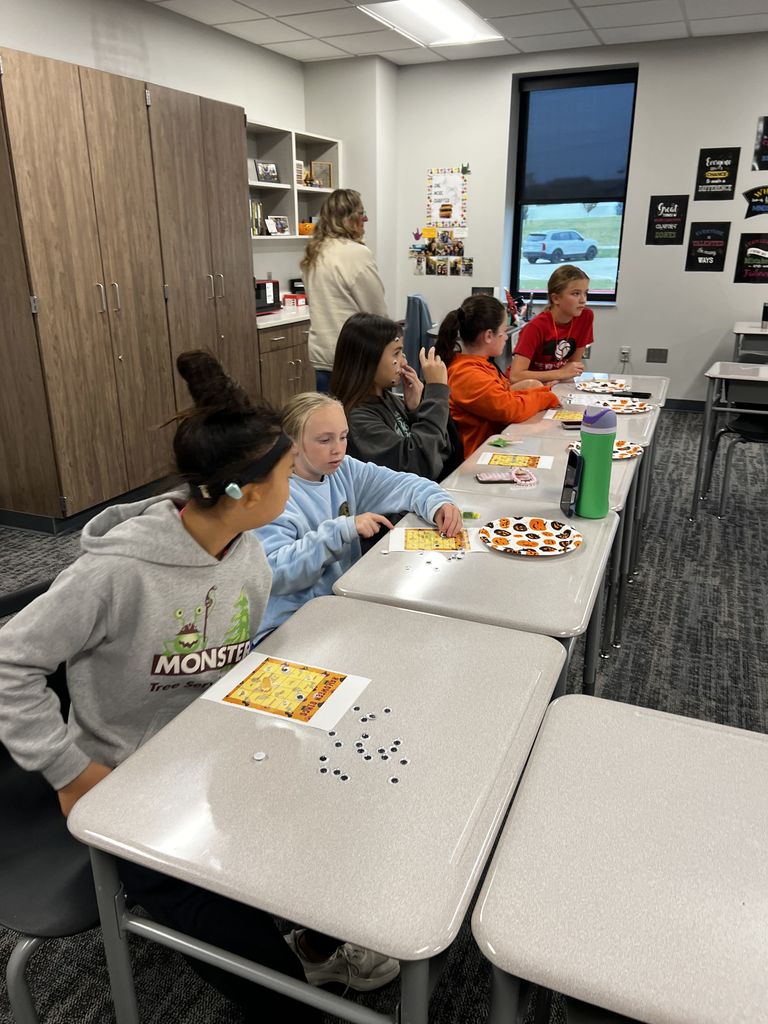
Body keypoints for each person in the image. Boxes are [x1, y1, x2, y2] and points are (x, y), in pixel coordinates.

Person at [0, 351, 397, 1023]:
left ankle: (316, 937)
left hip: (212, 745)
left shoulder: (245, 549)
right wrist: (68, 772)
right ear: (243, 491)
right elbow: (9, 662)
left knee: (329, 791)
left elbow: (228, 656)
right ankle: (292, 991)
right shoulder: (117, 574)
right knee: (223, 924)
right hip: (131, 778)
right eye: (283, 472)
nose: (296, 480)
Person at [254, 393, 462, 638]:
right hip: (289, 624)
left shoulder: (343, 469)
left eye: (343, 437)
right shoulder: (274, 493)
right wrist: (342, 530)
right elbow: (275, 573)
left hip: (341, 603)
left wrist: (438, 503)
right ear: (292, 443)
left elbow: (401, 484)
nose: (338, 449)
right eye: (324, 440)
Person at [330, 311, 462, 481]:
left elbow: (445, 452)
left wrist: (415, 410)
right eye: (396, 353)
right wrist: (436, 393)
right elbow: (420, 467)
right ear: (369, 359)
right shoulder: (357, 420)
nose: (404, 362)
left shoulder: (389, 399)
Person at [434, 295, 560, 458]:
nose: (506, 337)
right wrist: (547, 397)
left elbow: (503, 395)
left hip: (492, 445)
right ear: (488, 336)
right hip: (478, 455)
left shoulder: (480, 365)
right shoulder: (467, 375)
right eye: (504, 332)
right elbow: (509, 409)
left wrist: (541, 390)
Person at [300, 188, 387, 393]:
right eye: (361, 213)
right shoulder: (356, 254)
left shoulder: (313, 253)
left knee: (330, 422)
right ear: (350, 219)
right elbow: (377, 315)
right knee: (361, 422)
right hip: (355, 360)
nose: (365, 219)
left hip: (324, 357)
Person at [507, 265, 593, 383]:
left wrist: (563, 374)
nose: (583, 300)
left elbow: (573, 365)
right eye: (576, 294)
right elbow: (516, 376)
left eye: (585, 293)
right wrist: (560, 373)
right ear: (556, 298)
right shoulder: (536, 327)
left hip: (557, 382)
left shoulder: (585, 317)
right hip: (530, 386)